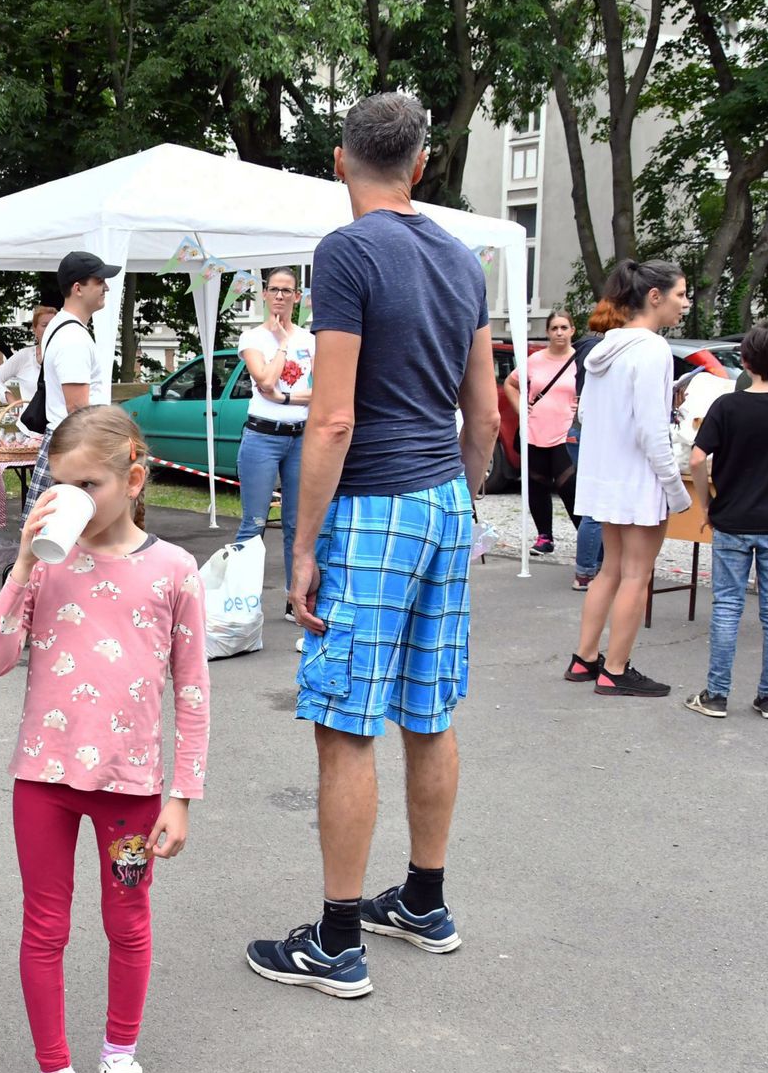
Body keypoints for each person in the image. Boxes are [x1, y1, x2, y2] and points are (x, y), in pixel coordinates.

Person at [243, 91, 499, 1000]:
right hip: (443, 501)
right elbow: (484, 415)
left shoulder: (348, 251)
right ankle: (424, 901)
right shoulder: (462, 258)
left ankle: (337, 940)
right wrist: (461, 502)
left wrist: (301, 545)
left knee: (346, 721)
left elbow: (333, 417)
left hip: (375, 506)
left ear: (340, 161)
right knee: (429, 708)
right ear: (421, 165)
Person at [0, 406, 209, 1073]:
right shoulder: (46, 564)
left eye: (88, 485)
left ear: (133, 479)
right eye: (57, 483)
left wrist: (181, 794)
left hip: (131, 791)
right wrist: (21, 564)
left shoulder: (173, 570)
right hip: (43, 781)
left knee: (128, 922)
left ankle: (119, 1057)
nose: (70, 498)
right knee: (45, 927)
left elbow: (193, 690)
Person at [564, 260, 694, 697]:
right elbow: (651, 432)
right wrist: (675, 489)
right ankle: (615, 669)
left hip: (606, 477)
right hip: (638, 480)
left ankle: (585, 658)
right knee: (636, 575)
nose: (685, 304)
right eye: (680, 295)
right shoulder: (653, 349)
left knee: (611, 571)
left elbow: (585, 413)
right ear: (654, 297)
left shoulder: (604, 348)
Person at [683, 322, 768, 721]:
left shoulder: (727, 406)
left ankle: (716, 695)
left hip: (732, 518)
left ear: (744, 360)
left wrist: (707, 505)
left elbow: (697, 459)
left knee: (727, 606)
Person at [234, 269, 314, 602]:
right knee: (254, 522)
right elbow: (265, 380)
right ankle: (240, 602)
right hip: (262, 437)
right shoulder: (252, 337)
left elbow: (321, 391)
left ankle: (294, 599)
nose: (280, 296)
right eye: (274, 289)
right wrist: (282, 345)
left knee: (296, 525)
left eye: (287, 290)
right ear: (264, 294)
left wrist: (283, 398)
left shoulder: (310, 340)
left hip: (300, 438)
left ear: (297, 297)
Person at [30, 252, 120, 496]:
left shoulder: (60, 325)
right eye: (99, 281)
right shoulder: (73, 338)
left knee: (50, 519)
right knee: (68, 520)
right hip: (75, 448)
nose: (106, 287)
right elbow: (78, 409)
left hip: (66, 446)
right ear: (78, 288)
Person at [504, 309, 581, 554]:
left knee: (568, 486)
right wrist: (520, 408)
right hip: (535, 429)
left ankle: (587, 540)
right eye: (554, 328)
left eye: (563, 327)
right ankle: (544, 537)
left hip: (566, 431)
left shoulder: (580, 360)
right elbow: (510, 383)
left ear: (572, 330)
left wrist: (583, 405)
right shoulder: (535, 360)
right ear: (547, 332)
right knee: (536, 484)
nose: (559, 333)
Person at [566, 301, 622, 589]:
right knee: (596, 507)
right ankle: (586, 571)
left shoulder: (590, 347)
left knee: (598, 504)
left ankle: (596, 567)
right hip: (589, 432)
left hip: (585, 431)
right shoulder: (597, 349)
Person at [0, 304, 58, 427]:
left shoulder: (67, 356)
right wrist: (11, 399)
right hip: (30, 429)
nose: (49, 329)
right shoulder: (25, 356)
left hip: (59, 427)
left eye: (54, 325)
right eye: (44, 325)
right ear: (34, 329)